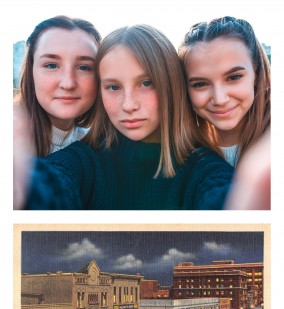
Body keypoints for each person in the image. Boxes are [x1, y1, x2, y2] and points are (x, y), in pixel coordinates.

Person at [14, 24, 234, 210]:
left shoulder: (207, 170)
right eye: (113, 87)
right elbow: (49, 184)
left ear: (171, 86)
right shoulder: (83, 159)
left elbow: (227, 200)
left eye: (146, 83)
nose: (128, 105)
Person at [179, 16, 270, 167]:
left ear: (256, 73)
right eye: (201, 84)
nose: (220, 99)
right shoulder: (183, 156)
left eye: (234, 77)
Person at [15, 15, 101, 156]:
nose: (68, 83)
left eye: (84, 67)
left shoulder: (101, 148)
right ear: (32, 72)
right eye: (52, 65)